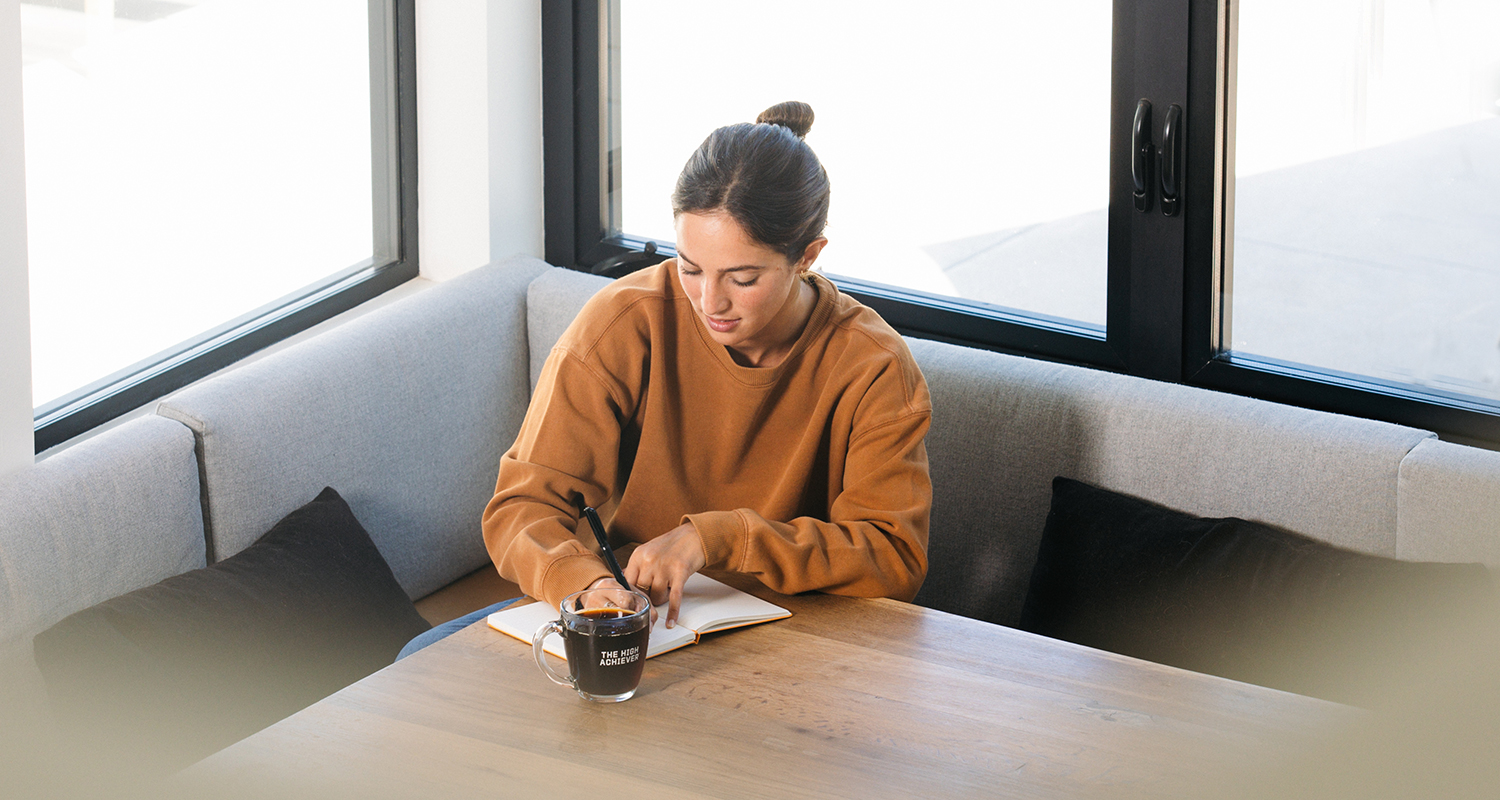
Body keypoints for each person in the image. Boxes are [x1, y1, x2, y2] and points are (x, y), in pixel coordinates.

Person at [483, 100, 932, 631]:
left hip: (792, 637)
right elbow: (522, 506)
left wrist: (719, 538)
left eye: (742, 279)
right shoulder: (625, 323)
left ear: (808, 256)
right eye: (690, 268)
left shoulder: (872, 365)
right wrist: (588, 584)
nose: (709, 302)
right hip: (632, 619)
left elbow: (894, 558)